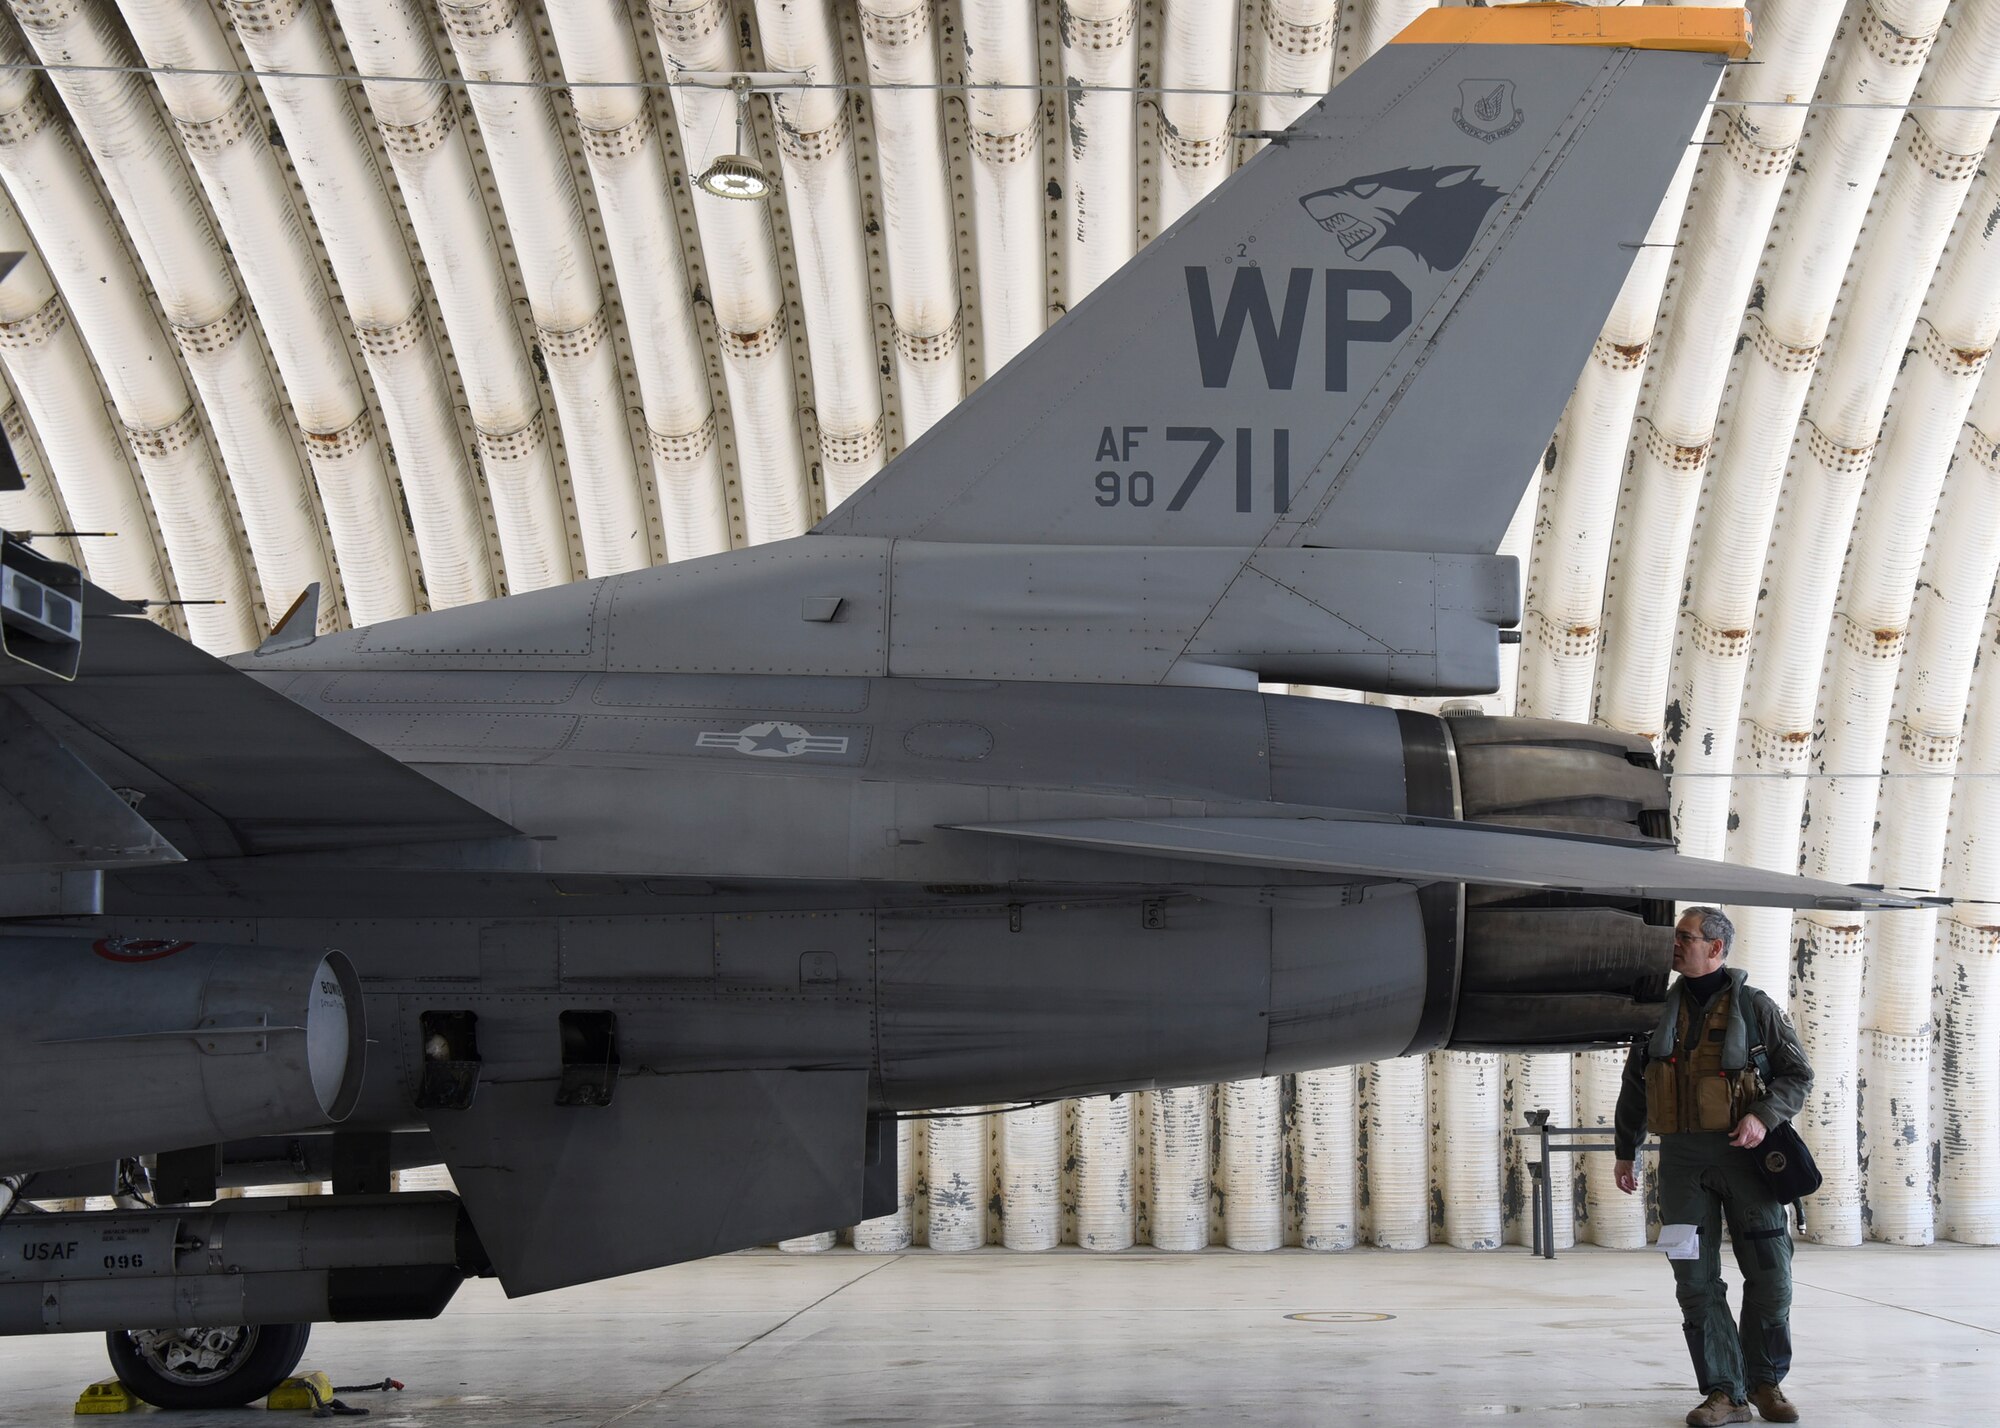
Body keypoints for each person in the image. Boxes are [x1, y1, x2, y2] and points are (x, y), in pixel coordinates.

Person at [1613, 907, 1814, 1426]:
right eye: (1676, 937)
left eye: (1687, 938)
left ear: (1717, 949)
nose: (1676, 945)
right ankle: (1724, 1393)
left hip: (1747, 1158)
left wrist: (1763, 1116)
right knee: (1694, 1281)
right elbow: (1637, 1087)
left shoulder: (1757, 1008)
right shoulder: (1656, 1013)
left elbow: (1798, 1075)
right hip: (1681, 1162)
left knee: (1771, 1277)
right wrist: (1624, 1149)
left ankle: (1766, 1382)